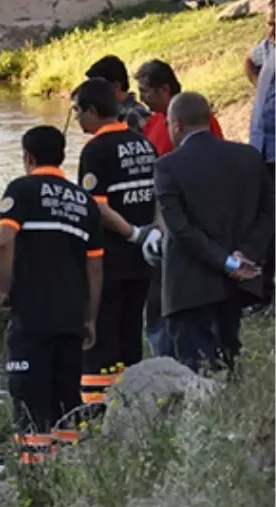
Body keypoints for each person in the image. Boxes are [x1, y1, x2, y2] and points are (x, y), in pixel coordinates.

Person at [0, 125, 103, 459]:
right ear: (63, 156)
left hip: (31, 316)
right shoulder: (85, 202)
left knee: (30, 399)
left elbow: (2, 242)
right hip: (72, 317)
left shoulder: (21, 190)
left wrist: (1, 292)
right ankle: (68, 467)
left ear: (28, 157)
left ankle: (33, 474)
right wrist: (91, 318)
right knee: (67, 398)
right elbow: (95, 266)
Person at [156, 92, 276, 374]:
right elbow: (270, 212)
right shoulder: (248, 157)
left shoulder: (167, 167)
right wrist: (245, 254)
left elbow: (181, 230)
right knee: (228, 361)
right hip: (237, 285)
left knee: (197, 375)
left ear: (177, 125)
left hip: (189, 287)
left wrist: (227, 261)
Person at [73, 77, 160, 402]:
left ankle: (98, 411)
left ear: (93, 111)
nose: (78, 119)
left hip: (111, 258)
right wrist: (155, 232)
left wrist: (134, 234)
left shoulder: (96, 150)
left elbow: (96, 204)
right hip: (144, 259)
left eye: (78, 112)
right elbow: (159, 196)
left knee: (101, 335)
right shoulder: (143, 143)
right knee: (130, 332)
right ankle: (133, 402)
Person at [133, 59, 225, 357]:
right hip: (160, 219)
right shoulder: (151, 122)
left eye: (145, 91)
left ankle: (198, 355)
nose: (142, 97)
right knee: (157, 297)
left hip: (190, 220)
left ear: (164, 89)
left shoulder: (195, 118)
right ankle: (164, 354)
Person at [246, 8, 276, 311]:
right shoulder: (268, 47)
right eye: (269, 23)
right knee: (264, 219)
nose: (271, 28)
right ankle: (261, 292)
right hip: (262, 148)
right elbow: (249, 58)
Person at [86, 55, 152, 133]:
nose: (93, 93)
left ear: (116, 86)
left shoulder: (135, 116)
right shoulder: (112, 116)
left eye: (97, 88)